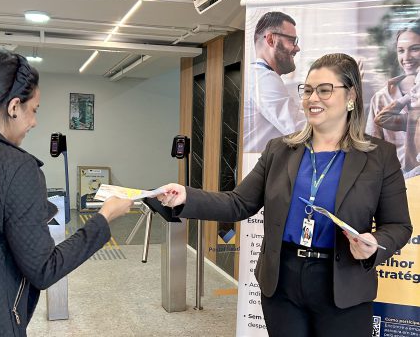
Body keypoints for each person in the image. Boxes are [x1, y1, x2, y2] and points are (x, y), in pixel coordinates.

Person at [157, 53, 412, 337]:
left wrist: (375, 244)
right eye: (308, 90)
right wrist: (185, 196)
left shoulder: (379, 156)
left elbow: (399, 226)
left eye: (325, 90)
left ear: (350, 95)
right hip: (282, 282)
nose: (313, 98)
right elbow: (239, 203)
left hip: (344, 284)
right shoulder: (280, 149)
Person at [0, 50, 133, 336]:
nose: (34, 122)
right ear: (13, 107)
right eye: (34, 110)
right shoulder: (17, 167)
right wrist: (104, 218)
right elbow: (44, 269)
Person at [243, 11, 306, 153]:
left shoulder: (254, 75)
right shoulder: (263, 78)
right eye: (292, 41)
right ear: (271, 40)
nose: (297, 48)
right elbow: (299, 129)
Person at [366, 19, 420, 168]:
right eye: (401, 50)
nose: (407, 57)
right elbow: (371, 153)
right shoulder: (381, 98)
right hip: (395, 185)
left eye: (415, 49)